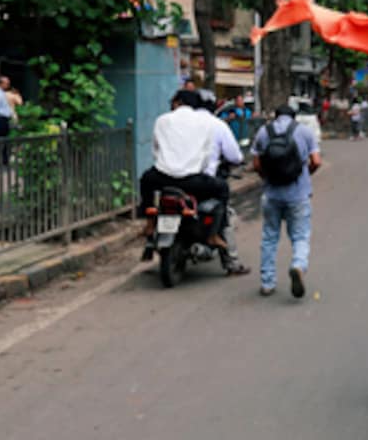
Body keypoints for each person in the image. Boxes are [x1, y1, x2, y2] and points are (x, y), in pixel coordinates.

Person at [137, 90, 230, 250]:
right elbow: (206, 154)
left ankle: (150, 223)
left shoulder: (162, 120)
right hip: (192, 180)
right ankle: (214, 234)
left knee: (145, 180)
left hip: (161, 177)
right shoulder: (206, 124)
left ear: (177, 102)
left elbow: (156, 150)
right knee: (222, 188)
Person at [251, 104, 322, 297]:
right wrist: (306, 175)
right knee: (300, 236)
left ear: (275, 116)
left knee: (269, 237)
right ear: (294, 117)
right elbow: (316, 161)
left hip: (272, 194)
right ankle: (298, 265)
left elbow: (256, 163)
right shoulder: (305, 132)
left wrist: (266, 178)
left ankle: (267, 283)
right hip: (298, 194)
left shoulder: (263, 132)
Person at [197, 92, 251, 276]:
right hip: (205, 181)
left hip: (172, 178)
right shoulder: (217, 126)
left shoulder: (177, 123)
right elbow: (235, 156)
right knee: (224, 213)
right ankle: (231, 262)